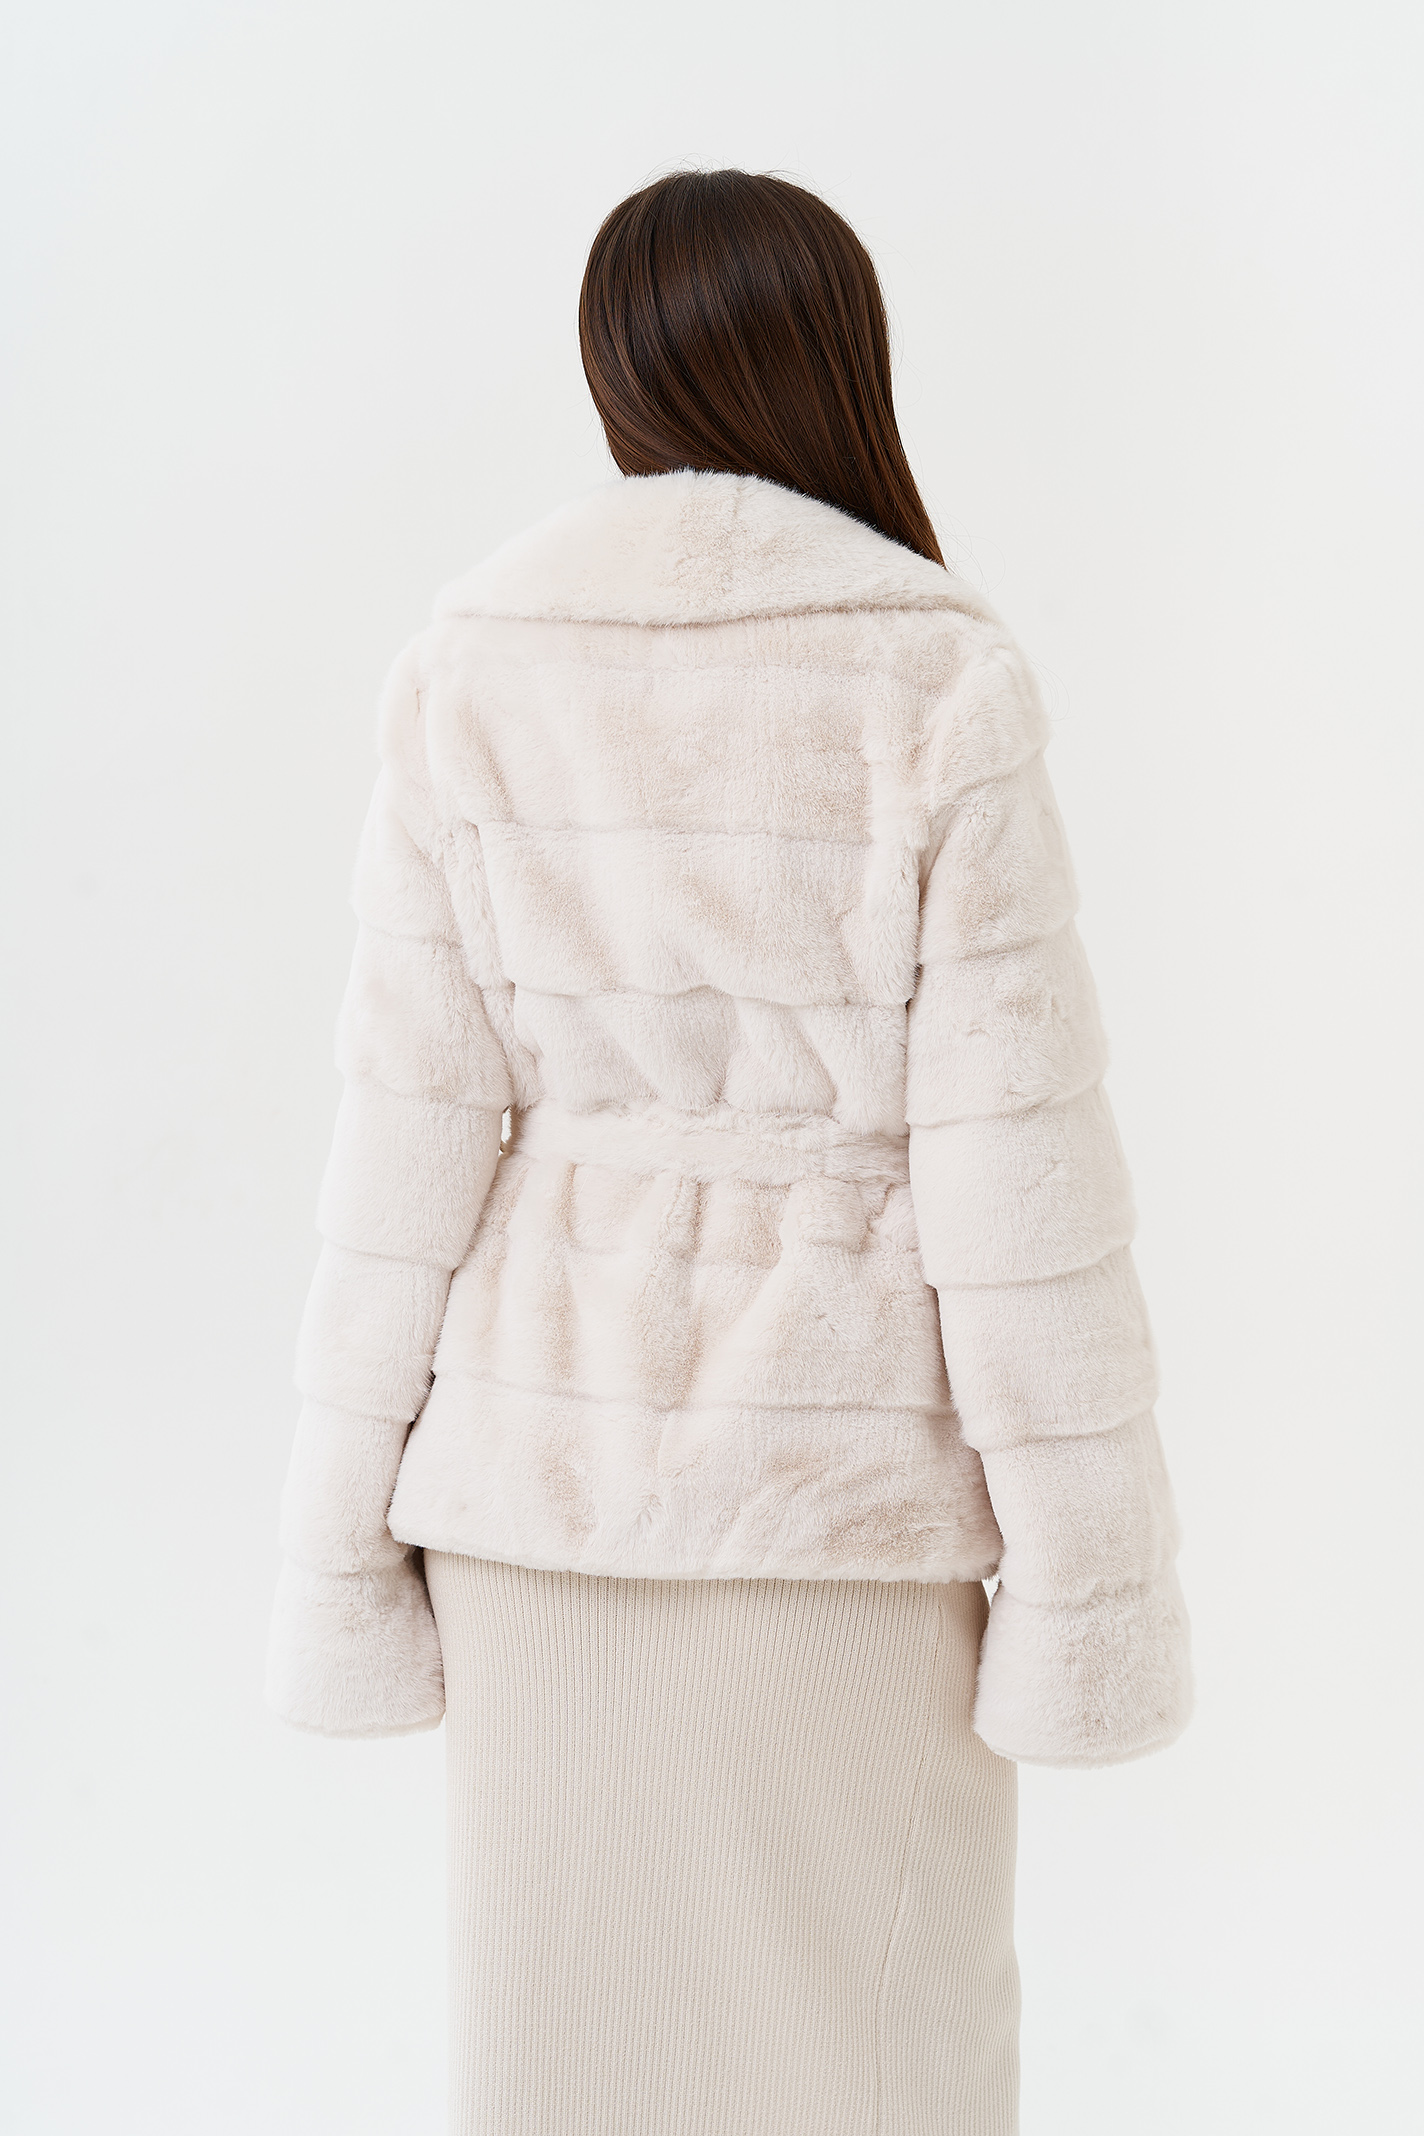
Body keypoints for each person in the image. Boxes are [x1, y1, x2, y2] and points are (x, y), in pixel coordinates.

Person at [268, 167, 1191, 2136]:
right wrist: (1087, 1583)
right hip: (839, 1489)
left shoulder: (474, 666)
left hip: (543, 1486)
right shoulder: (932, 673)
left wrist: (339, 1536)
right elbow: (1019, 1183)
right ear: (842, 360)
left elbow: (402, 1147)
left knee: (569, 2072)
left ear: (613, 371)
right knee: (880, 2065)